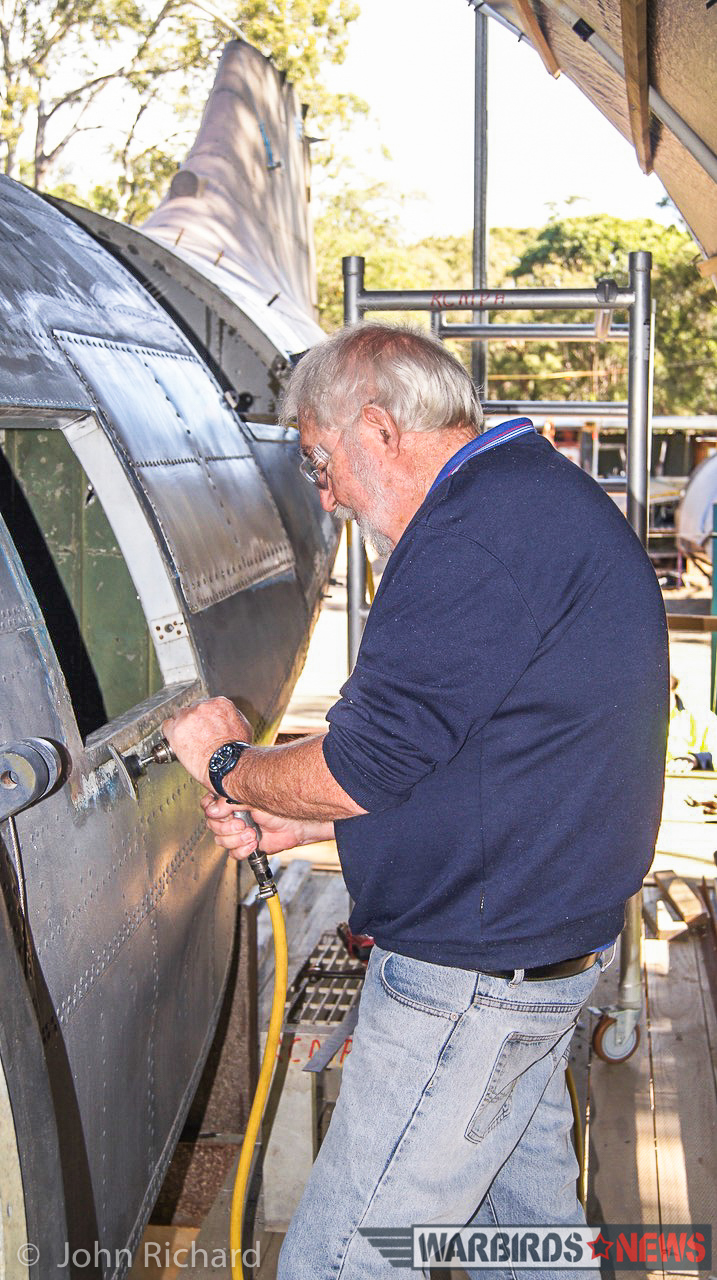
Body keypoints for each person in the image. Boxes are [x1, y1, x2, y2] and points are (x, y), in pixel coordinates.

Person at [164, 323, 668, 1280]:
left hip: (470, 984)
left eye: (322, 462)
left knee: (343, 1261)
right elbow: (490, 747)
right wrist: (305, 820)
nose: (328, 495)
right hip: (528, 959)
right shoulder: (525, 499)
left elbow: (364, 763)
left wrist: (229, 761)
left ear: (380, 428)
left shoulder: (473, 536)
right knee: (527, 1246)